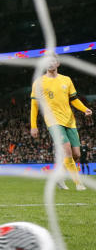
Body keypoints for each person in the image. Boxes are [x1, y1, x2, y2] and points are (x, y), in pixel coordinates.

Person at [30, 56, 92, 191]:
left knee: (76, 154)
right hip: (53, 121)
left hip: (70, 121)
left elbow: (74, 99)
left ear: (57, 63)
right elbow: (34, 105)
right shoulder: (39, 82)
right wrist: (33, 126)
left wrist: (84, 109)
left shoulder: (66, 80)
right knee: (68, 151)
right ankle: (78, 183)